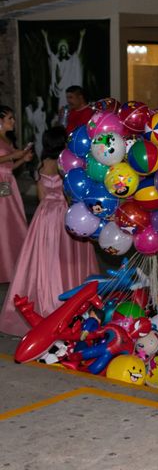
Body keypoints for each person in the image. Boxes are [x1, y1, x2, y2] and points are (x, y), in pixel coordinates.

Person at [0, 126, 99, 336]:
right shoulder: (68, 165)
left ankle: (47, 295)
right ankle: (71, 297)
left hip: (45, 217)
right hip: (65, 214)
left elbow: (41, 196)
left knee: (46, 258)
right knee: (68, 257)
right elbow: (72, 193)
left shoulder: (42, 165)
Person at [0, 105, 34, 284]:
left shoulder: (7, 140)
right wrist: (14, 155)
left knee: (13, 223)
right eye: (10, 119)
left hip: (7, 182)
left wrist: (22, 158)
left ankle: (14, 266)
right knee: (4, 223)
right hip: (1, 184)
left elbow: (8, 168)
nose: (13, 121)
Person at [42, 28, 85, 111]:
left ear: (66, 50)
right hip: (60, 87)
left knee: (70, 105)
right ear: (59, 51)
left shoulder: (70, 61)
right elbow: (49, 53)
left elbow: (77, 53)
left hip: (68, 85)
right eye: (61, 49)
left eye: (64, 49)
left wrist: (81, 37)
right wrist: (45, 37)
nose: (63, 50)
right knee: (61, 106)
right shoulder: (57, 61)